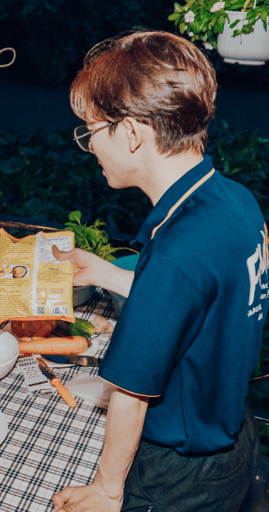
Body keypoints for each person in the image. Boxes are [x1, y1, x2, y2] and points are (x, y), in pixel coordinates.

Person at [51, 31, 268, 511]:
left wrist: (108, 491)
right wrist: (105, 273)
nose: (90, 148)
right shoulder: (233, 201)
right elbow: (197, 302)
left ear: (130, 133)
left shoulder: (177, 249)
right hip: (233, 438)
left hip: (179, 476)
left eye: (90, 131)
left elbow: (130, 392)